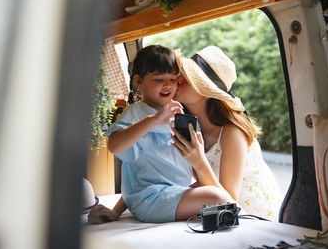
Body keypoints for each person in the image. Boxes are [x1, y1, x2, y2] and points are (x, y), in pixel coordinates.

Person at [88, 45, 232, 224]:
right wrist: (153, 120)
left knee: (218, 193)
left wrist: (116, 212)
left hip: (172, 193)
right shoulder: (137, 112)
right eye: (158, 79)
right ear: (139, 82)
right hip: (150, 199)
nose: (168, 85)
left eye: (173, 79)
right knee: (218, 197)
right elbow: (114, 146)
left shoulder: (181, 116)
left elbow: (145, 173)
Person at [171, 46, 283, 221]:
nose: (177, 80)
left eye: (186, 77)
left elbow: (229, 201)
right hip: (222, 215)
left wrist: (199, 163)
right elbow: (204, 185)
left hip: (255, 218)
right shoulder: (191, 128)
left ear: (205, 92)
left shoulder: (232, 132)